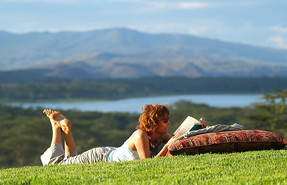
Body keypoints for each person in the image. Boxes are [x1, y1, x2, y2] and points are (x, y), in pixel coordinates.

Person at [40, 104, 207, 166]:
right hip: (100, 157)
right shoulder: (140, 135)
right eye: (165, 121)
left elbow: (180, 143)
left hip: (111, 152)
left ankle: (66, 130)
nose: (169, 124)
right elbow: (147, 164)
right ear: (154, 123)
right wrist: (168, 147)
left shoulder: (160, 136)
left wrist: (198, 128)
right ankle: (56, 127)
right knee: (55, 166)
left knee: (69, 161)